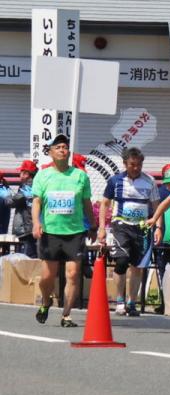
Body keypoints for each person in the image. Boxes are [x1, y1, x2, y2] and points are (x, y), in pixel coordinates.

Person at [31, 135, 91, 327]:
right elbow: (37, 201)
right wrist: (35, 223)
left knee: (73, 274)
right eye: (58, 147)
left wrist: (94, 224)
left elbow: (87, 202)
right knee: (47, 276)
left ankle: (66, 315)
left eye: (65, 147)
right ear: (50, 152)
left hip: (75, 232)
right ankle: (47, 301)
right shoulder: (42, 175)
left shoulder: (80, 176)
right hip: (51, 232)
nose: (62, 150)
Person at [98, 147, 159, 317]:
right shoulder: (115, 181)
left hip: (142, 228)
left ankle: (132, 302)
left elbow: (156, 207)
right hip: (121, 226)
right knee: (122, 261)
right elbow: (104, 204)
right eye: (132, 164)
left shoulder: (150, 181)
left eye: (139, 165)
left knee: (138, 266)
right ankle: (119, 300)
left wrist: (159, 227)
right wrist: (102, 228)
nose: (136, 168)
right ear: (125, 163)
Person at [6, 160, 39, 257]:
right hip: (33, 227)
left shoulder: (26, 187)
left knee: (27, 259)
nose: (19, 175)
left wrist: (7, 195)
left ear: (26, 174)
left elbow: (10, 202)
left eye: (21, 172)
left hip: (26, 229)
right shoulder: (37, 185)